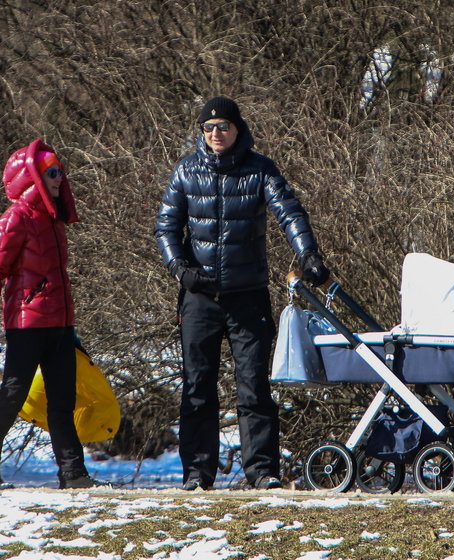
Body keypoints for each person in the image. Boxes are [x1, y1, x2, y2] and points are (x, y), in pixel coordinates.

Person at [154, 96, 330, 491]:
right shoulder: (185, 172)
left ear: (238, 130)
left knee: (254, 386)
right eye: (209, 128)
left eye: (223, 127)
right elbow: (165, 229)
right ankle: (198, 474)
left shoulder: (260, 169)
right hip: (199, 299)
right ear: (202, 132)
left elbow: (289, 213)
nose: (216, 134)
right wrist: (182, 271)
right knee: (197, 387)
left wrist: (309, 255)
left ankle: (262, 472)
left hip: (247, 296)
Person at [0, 138, 106, 490]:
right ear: (33, 176)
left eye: (59, 171)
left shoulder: (54, 221)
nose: (59, 178)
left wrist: (70, 324)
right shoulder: (15, 219)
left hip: (59, 324)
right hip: (27, 325)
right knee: (12, 395)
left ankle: (73, 474)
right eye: (51, 172)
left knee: (62, 401)